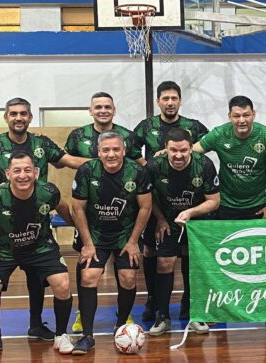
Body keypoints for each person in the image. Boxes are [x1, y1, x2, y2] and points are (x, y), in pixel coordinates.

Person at [0, 97, 86, 342]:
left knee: (38, 279)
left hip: (36, 225)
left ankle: (36, 325)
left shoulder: (41, 143)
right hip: (5, 225)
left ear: (30, 117)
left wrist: (104, 162)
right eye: (13, 114)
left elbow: (69, 161)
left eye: (23, 113)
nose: (18, 118)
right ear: (6, 117)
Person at [0, 151, 75, 362]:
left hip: (41, 248)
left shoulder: (48, 192)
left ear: (36, 172)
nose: (23, 175)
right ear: (8, 174)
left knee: (63, 284)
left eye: (28, 170)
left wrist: (78, 228)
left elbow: (63, 208)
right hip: (4, 251)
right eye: (17, 170)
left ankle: (61, 335)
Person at [68, 130, 152, 355]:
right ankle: (87, 335)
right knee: (89, 276)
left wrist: (133, 241)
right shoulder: (87, 171)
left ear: (124, 151)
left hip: (126, 233)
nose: (111, 154)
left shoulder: (138, 172)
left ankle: (121, 326)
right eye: (106, 150)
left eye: (116, 149)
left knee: (128, 277)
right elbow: (77, 208)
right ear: (98, 152)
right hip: (95, 233)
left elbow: (145, 207)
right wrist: (87, 243)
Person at [133, 81, 210, 321]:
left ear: (180, 100)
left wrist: (186, 156)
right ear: (158, 101)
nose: (169, 102)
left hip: (189, 198)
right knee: (151, 251)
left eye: (173, 98)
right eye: (165, 98)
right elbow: (131, 150)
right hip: (157, 200)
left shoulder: (193, 126)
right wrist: (149, 167)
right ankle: (153, 300)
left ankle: (188, 302)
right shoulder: (146, 126)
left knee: (188, 253)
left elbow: (210, 143)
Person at [64, 91, 139, 333]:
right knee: (87, 270)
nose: (103, 110)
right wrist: (88, 165)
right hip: (93, 226)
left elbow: (140, 167)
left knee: (127, 276)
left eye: (108, 106)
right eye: (98, 107)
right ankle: (83, 317)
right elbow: (61, 160)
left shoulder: (129, 138)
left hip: (124, 227)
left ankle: (123, 318)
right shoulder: (79, 139)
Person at [146, 128, 219, 336]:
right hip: (166, 219)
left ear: (191, 149)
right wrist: (160, 219)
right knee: (164, 262)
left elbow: (214, 201)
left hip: (197, 220)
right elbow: (146, 198)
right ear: (166, 149)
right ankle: (163, 316)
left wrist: (190, 212)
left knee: (193, 263)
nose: (178, 155)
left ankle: (193, 312)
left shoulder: (204, 165)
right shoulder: (154, 166)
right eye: (173, 150)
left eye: (184, 150)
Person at [193, 95, 266, 220]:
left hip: (259, 204)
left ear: (253, 114)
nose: (242, 120)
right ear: (229, 116)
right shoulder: (219, 134)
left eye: (246, 115)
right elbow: (190, 152)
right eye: (236, 116)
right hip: (226, 205)